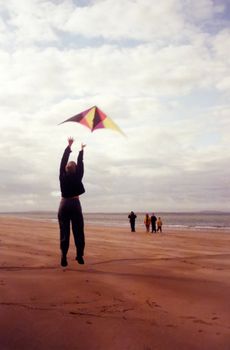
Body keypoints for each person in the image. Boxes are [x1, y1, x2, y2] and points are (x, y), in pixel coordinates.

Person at [58, 137, 86, 267]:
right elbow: (80, 164)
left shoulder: (62, 176)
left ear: (65, 168)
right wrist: (81, 151)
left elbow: (63, 161)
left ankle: (64, 256)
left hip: (64, 204)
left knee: (64, 230)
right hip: (75, 204)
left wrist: (69, 147)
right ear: (76, 169)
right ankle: (79, 255)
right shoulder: (78, 175)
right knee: (78, 230)